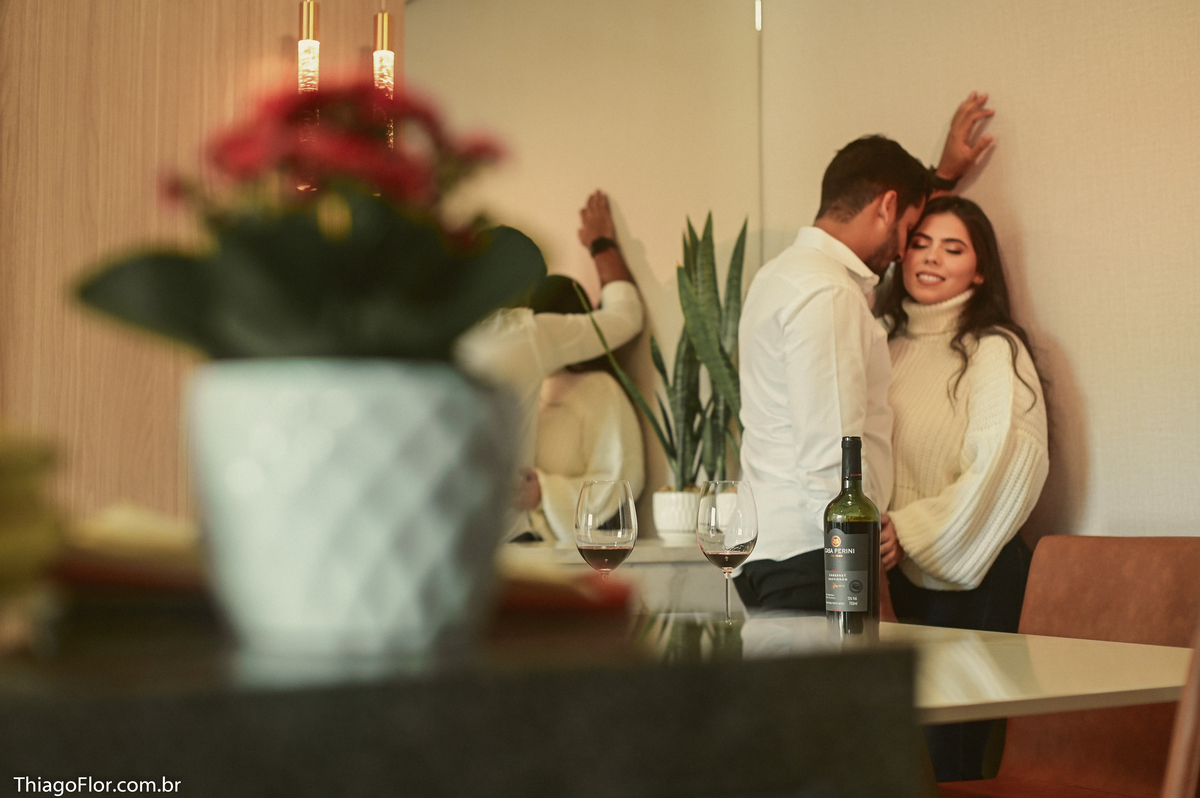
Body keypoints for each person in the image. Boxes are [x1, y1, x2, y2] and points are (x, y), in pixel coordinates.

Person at [734, 93, 995, 612]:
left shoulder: (780, 276)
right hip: (816, 558)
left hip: (772, 552)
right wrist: (866, 578)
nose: (903, 253)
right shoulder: (829, 293)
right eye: (909, 232)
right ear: (886, 206)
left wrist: (940, 178)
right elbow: (831, 459)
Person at [876, 195, 1049, 781]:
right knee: (893, 757)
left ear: (979, 271)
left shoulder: (994, 348)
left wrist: (907, 529)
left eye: (953, 249)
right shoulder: (881, 345)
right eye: (920, 243)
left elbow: (1005, 466)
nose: (931, 258)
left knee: (949, 764)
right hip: (895, 573)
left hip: (975, 577)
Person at [456, 191, 644, 541]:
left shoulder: (430, 336)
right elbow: (625, 317)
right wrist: (601, 244)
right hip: (505, 538)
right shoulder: (525, 334)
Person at [511, 275, 645, 542]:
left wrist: (545, 493)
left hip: (569, 551)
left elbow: (619, 477)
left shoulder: (600, 389)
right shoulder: (526, 387)